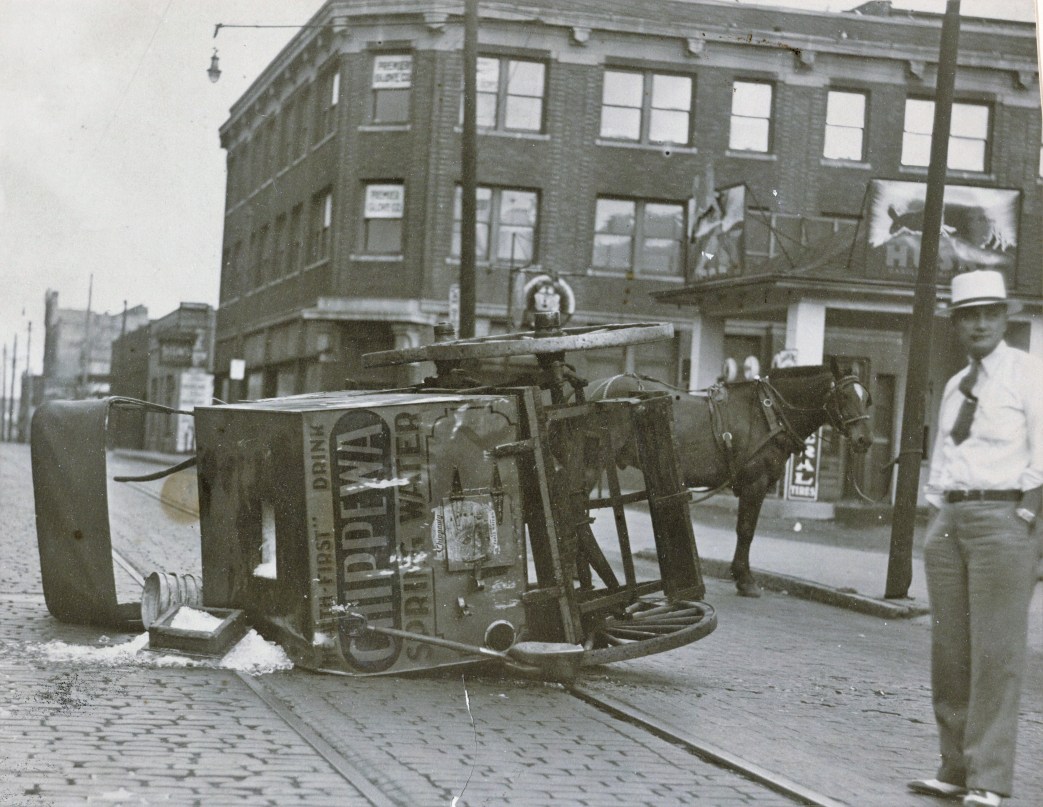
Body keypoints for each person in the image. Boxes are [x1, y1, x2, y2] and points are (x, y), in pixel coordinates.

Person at [908, 269, 1043, 807]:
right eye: (969, 316)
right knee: (950, 652)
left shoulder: (1028, 373)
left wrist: (1028, 516)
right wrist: (937, 512)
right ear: (957, 323)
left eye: (989, 314)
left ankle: (988, 778)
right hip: (951, 520)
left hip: (1005, 518)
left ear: (1006, 317)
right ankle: (955, 769)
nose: (980, 324)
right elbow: (945, 457)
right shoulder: (954, 385)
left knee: (996, 653)